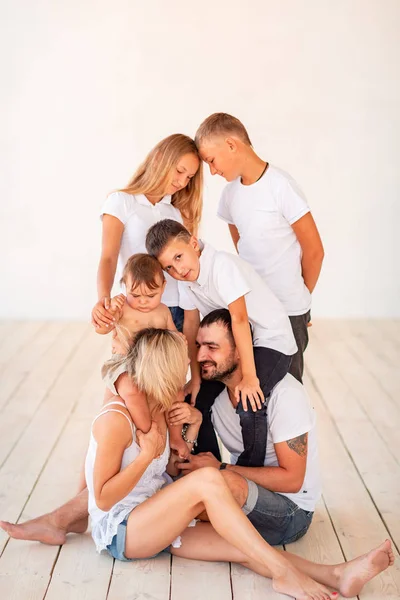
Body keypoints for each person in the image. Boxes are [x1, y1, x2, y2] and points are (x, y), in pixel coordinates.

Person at [0, 329, 394, 600]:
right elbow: (100, 499)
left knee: (241, 545)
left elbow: (170, 472)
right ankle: (284, 575)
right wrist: (145, 457)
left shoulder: (157, 410)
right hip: (122, 531)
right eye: (181, 369)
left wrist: (191, 429)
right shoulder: (114, 420)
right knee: (209, 481)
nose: (188, 376)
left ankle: (336, 575)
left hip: (153, 520)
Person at [145, 218, 297, 467]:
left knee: (248, 401)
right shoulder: (187, 282)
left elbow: (239, 319)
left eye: (179, 257)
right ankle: (208, 467)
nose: (178, 270)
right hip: (236, 344)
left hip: (270, 340)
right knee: (197, 401)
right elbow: (192, 327)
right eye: (169, 268)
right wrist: (195, 379)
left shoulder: (221, 265)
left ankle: (247, 474)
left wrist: (249, 376)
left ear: (194, 243)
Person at [195, 113, 325, 382]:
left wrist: (300, 299)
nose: (213, 170)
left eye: (211, 160)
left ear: (231, 145)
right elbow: (242, 246)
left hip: (288, 309)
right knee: (251, 388)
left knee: (286, 388)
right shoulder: (230, 195)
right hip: (253, 309)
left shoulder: (281, 187)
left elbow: (314, 251)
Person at [91, 133, 203, 335]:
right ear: (159, 158)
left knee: (173, 367)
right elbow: (109, 257)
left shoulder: (176, 212)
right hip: (137, 307)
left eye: (189, 177)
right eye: (179, 171)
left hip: (179, 309)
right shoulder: (122, 202)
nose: (182, 182)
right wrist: (103, 299)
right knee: (134, 365)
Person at [96, 252, 189, 459]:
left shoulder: (163, 311)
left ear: (164, 287)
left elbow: (173, 335)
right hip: (125, 364)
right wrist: (110, 311)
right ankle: (147, 432)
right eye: (135, 295)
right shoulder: (123, 308)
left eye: (151, 296)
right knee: (131, 389)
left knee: (177, 392)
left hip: (155, 365)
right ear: (124, 287)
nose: (143, 302)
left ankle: (175, 436)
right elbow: (103, 329)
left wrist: (180, 341)